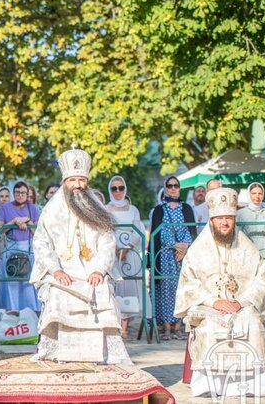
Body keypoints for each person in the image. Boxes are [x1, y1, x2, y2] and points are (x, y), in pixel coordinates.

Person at [30, 148, 130, 364]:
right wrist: (55, 270)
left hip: (92, 271)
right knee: (56, 295)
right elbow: (41, 242)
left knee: (102, 289)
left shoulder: (95, 204)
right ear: (65, 181)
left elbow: (107, 239)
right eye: (72, 180)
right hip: (62, 272)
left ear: (87, 181)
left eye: (81, 180)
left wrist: (99, 269)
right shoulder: (52, 208)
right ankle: (57, 353)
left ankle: (104, 355)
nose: (77, 185)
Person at [175, 187, 265, 397]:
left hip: (241, 306)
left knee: (252, 324)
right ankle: (210, 385)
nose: (225, 223)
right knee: (210, 327)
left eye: (229, 218)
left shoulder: (246, 245)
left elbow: (261, 278)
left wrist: (242, 302)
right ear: (211, 220)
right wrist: (213, 302)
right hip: (209, 307)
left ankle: (253, 386)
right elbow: (188, 282)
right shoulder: (197, 250)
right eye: (220, 219)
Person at [149, 176, 196, 341]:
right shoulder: (159, 209)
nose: (173, 188)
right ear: (165, 188)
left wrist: (184, 246)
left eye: (176, 185)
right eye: (170, 186)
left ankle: (179, 326)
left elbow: (191, 229)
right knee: (166, 290)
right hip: (165, 255)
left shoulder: (187, 208)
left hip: (182, 255)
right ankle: (167, 326)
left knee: (181, 289)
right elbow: (158, 232)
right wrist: (174, 245)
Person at [106, 176, 145, 341]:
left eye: (120, 188)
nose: (117, 191)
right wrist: (115, 248)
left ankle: (125, 327)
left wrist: (127, 247)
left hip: (130, 253)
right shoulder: (105, 208)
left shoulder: (133, 209)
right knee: (114, 288)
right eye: (114, 188)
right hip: (111, 251)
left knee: (129, 287)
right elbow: (104, 229)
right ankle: (113, 325)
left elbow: (138, 230)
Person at [0, 181, 40, 313]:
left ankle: (32, 315)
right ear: (14, 193)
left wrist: (28, 221)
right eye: (18, 193)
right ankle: (14, 314)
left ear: (27, 194)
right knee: (13, 284)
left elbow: (38, 232)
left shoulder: (32, 208)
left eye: (23, 193)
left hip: (28, 249)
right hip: (12, 248)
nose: (20, 195)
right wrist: (13, 221)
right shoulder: (5, 208)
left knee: (29, 284)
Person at [236, 182, 265, 310]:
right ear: (249, 194)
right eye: (254, 193)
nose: (257, 196)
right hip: (248, 252)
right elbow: (237, 237)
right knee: (250, 283)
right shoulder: (241, 214)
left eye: (259, 193)